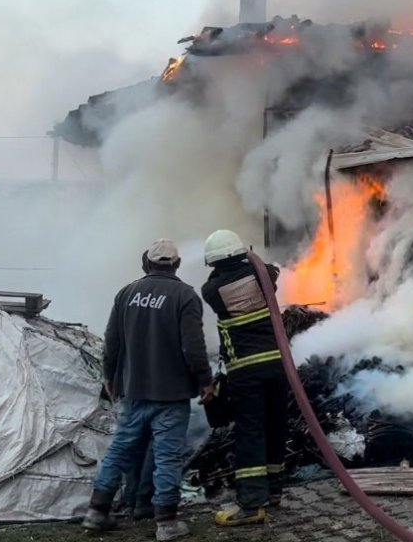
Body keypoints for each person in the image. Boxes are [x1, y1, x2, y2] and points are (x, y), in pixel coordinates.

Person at [82, 239, 214, 541]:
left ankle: (96, 512)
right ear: (176, 265)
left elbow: (112, 341)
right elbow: (193, 348)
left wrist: (109, 377)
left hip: (134, 391)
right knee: (167, 457)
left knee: (119, 450)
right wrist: (205, 380)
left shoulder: (126, 294)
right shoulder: (185, 296)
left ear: (147, 264)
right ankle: (166, 523)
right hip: (172, 395)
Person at [200, 229, 287, 527]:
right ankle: (274, 490)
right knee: (276, 426)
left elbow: (217, 282)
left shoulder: (211, 291)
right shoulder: (264, 278)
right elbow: (273, 271)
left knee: (251, 432)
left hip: (246, 371)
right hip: (278, 366)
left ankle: (251, 505)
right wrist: (252, 258)